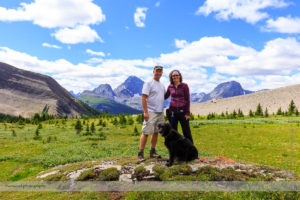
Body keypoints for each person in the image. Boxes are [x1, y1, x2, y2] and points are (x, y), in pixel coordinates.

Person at [138, 65, 165, 160]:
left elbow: (162, 97)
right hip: (151, 111)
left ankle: (152, 152)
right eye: (157, 71)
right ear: (153, 71)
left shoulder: (162, 85)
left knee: (156, 132)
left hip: (160, 112)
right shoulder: (149, 83)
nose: (158, 73)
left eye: (160, 71)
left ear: (162, 73)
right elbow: (143, 97)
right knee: (145, 132)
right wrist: (145, 112)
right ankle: (140, 153)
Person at [165, 70, 194, 144]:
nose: (175, 77)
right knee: (173, 133)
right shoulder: (170, 86)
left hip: (182, 112)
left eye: (176, 75)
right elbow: (165, 96)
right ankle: (176, 153)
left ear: (180, 76)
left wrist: (187, 113)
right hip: (172, 113)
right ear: (171, 77)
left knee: (186, 132)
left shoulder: (184, 86)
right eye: (173, 76)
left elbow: (187, 100)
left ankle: (191, 152)